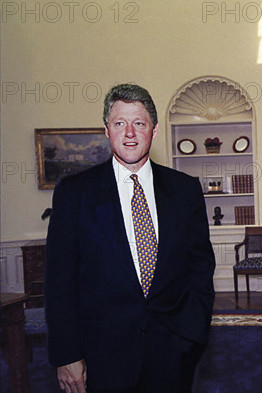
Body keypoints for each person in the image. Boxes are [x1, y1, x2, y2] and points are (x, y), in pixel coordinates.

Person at [45, 84, 216, 393]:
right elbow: (59, 281)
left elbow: (200, 264)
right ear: (106, 130)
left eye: (139, 123)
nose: (130, 133)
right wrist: (66, 354)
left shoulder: (184, 190)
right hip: (102, 355)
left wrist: (195, 328)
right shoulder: (75, 193)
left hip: (174, 349)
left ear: (154, 130)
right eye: (120, 123)